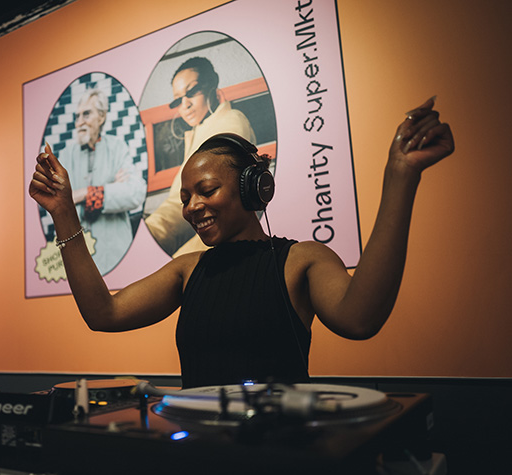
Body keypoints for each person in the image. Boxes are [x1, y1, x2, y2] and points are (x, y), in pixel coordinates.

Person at [29, 97, 454, 389]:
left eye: (207, 190)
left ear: (254, 189)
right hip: (202, 461)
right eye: (185, 198)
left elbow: (359, 319)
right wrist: (64, 211)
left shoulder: (301, 260)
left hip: (280, 462)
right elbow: (104, 313)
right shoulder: (188, 269)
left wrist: (401, 176)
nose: (192, 207)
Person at [145, 56, 257, 257]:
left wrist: (151, 235)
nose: (185, 105)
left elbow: (220, 207)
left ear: (211, 85)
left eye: (192, 92)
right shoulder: (201, 130)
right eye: (178, 100)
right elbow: (178, 204)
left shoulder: (230, 122)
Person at [56, 88, 146, 274]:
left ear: (102, 117)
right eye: (77, 116)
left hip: (117, 256)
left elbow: (135, 193)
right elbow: (59, 202)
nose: (79, 122)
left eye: (86, 114)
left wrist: (85, 194)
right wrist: (112, 188)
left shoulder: (117, 147)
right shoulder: (65, 155)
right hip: (78, 256)